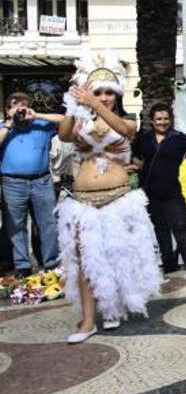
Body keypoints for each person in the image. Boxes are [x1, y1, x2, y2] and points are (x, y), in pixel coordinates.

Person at [55, 50, 161, 343]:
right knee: (86, 260)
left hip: (118, 198)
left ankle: (112, 310)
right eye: (97, 92)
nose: (103, 97)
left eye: (108, 92)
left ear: (117, 95)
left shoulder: (128, 120)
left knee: (116, 257)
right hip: (81, 201)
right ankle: (88, 320)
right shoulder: (79, 121)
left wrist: (94, 105)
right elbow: (64, 135)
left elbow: (125, 132)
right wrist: (73, 105)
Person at [132, 104, 186, 279]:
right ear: (152, 120)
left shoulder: (179, 138)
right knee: (160, 228)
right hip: (150, 191)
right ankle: (168, 264)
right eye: (159, 119)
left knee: (180, 227)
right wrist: (139, 165)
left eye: (166, 119)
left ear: (170, 119)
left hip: (174, 191)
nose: (162, 122)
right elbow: (133, 155)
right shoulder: (144, 138)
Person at [0, 92, 62, 276]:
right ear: (7, 109)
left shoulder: (41, 125)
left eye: (23, 104)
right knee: (15, 226)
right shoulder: (3, 127)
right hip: (12, 183)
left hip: (41, 181)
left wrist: (38, 115)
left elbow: (65, 120)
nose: (20, 108)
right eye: (14, 104)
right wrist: (9, 124)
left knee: (48, 224)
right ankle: (22, 265)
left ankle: (52, 263)